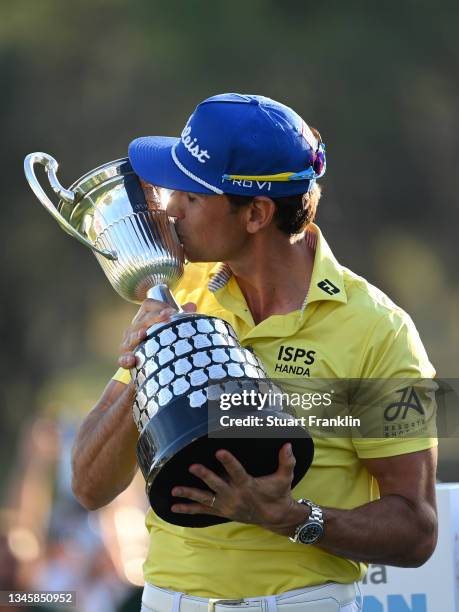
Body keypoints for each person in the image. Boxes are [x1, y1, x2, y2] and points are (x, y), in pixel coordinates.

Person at [71, 93, 438, 612]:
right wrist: (148, 364)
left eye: (194, 198)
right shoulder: (177, 292)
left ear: (257, 213)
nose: (170, 209)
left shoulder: (381, 331)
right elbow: (88, 487)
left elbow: (416, 529)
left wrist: (292, 518)